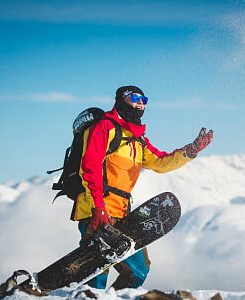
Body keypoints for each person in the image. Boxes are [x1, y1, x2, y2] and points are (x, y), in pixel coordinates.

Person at [72, 85, 213, 290]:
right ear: (121, 99)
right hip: (97, 209)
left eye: (144, 100)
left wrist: (191, 150)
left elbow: (160, 162)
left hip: (122, 213)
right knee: (97, 271)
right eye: (135, 98)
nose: (140, 103)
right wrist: (98, 207)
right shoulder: (104, 128)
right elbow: (90, 168)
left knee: (139, 270)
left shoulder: (138, 139)